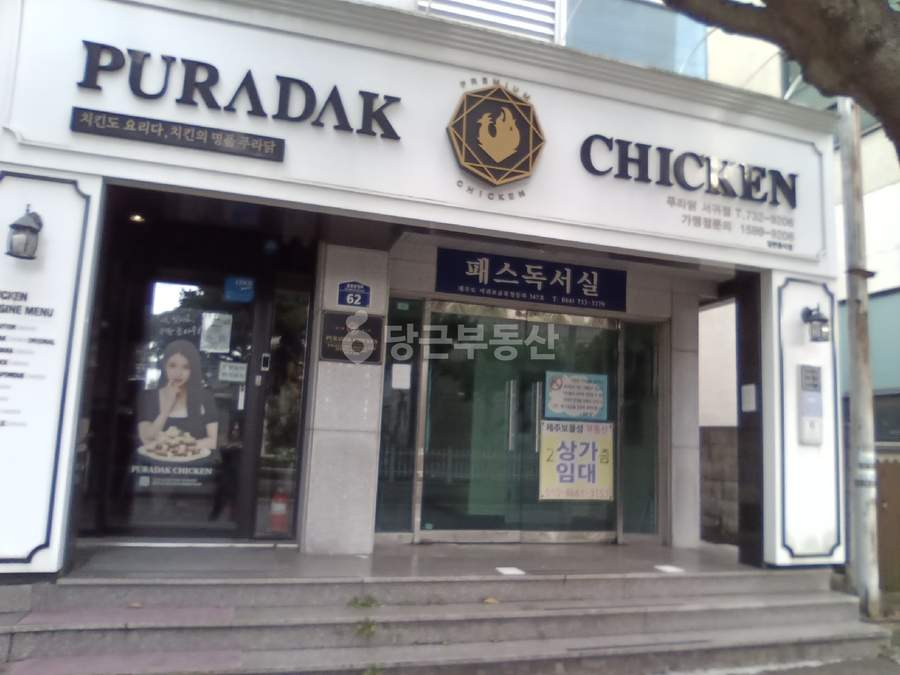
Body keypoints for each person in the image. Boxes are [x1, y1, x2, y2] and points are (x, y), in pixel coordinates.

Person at [137, 339, 218, 451]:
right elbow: (146, 438)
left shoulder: (205, 397)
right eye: (172, 365)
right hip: (157, 461)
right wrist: (166, 408)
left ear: (193, 370)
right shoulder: (149, 397)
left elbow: (212, 441)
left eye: (185, 367)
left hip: (196, 461)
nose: (178, 373)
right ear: (164, 366)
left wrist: (180, 447)